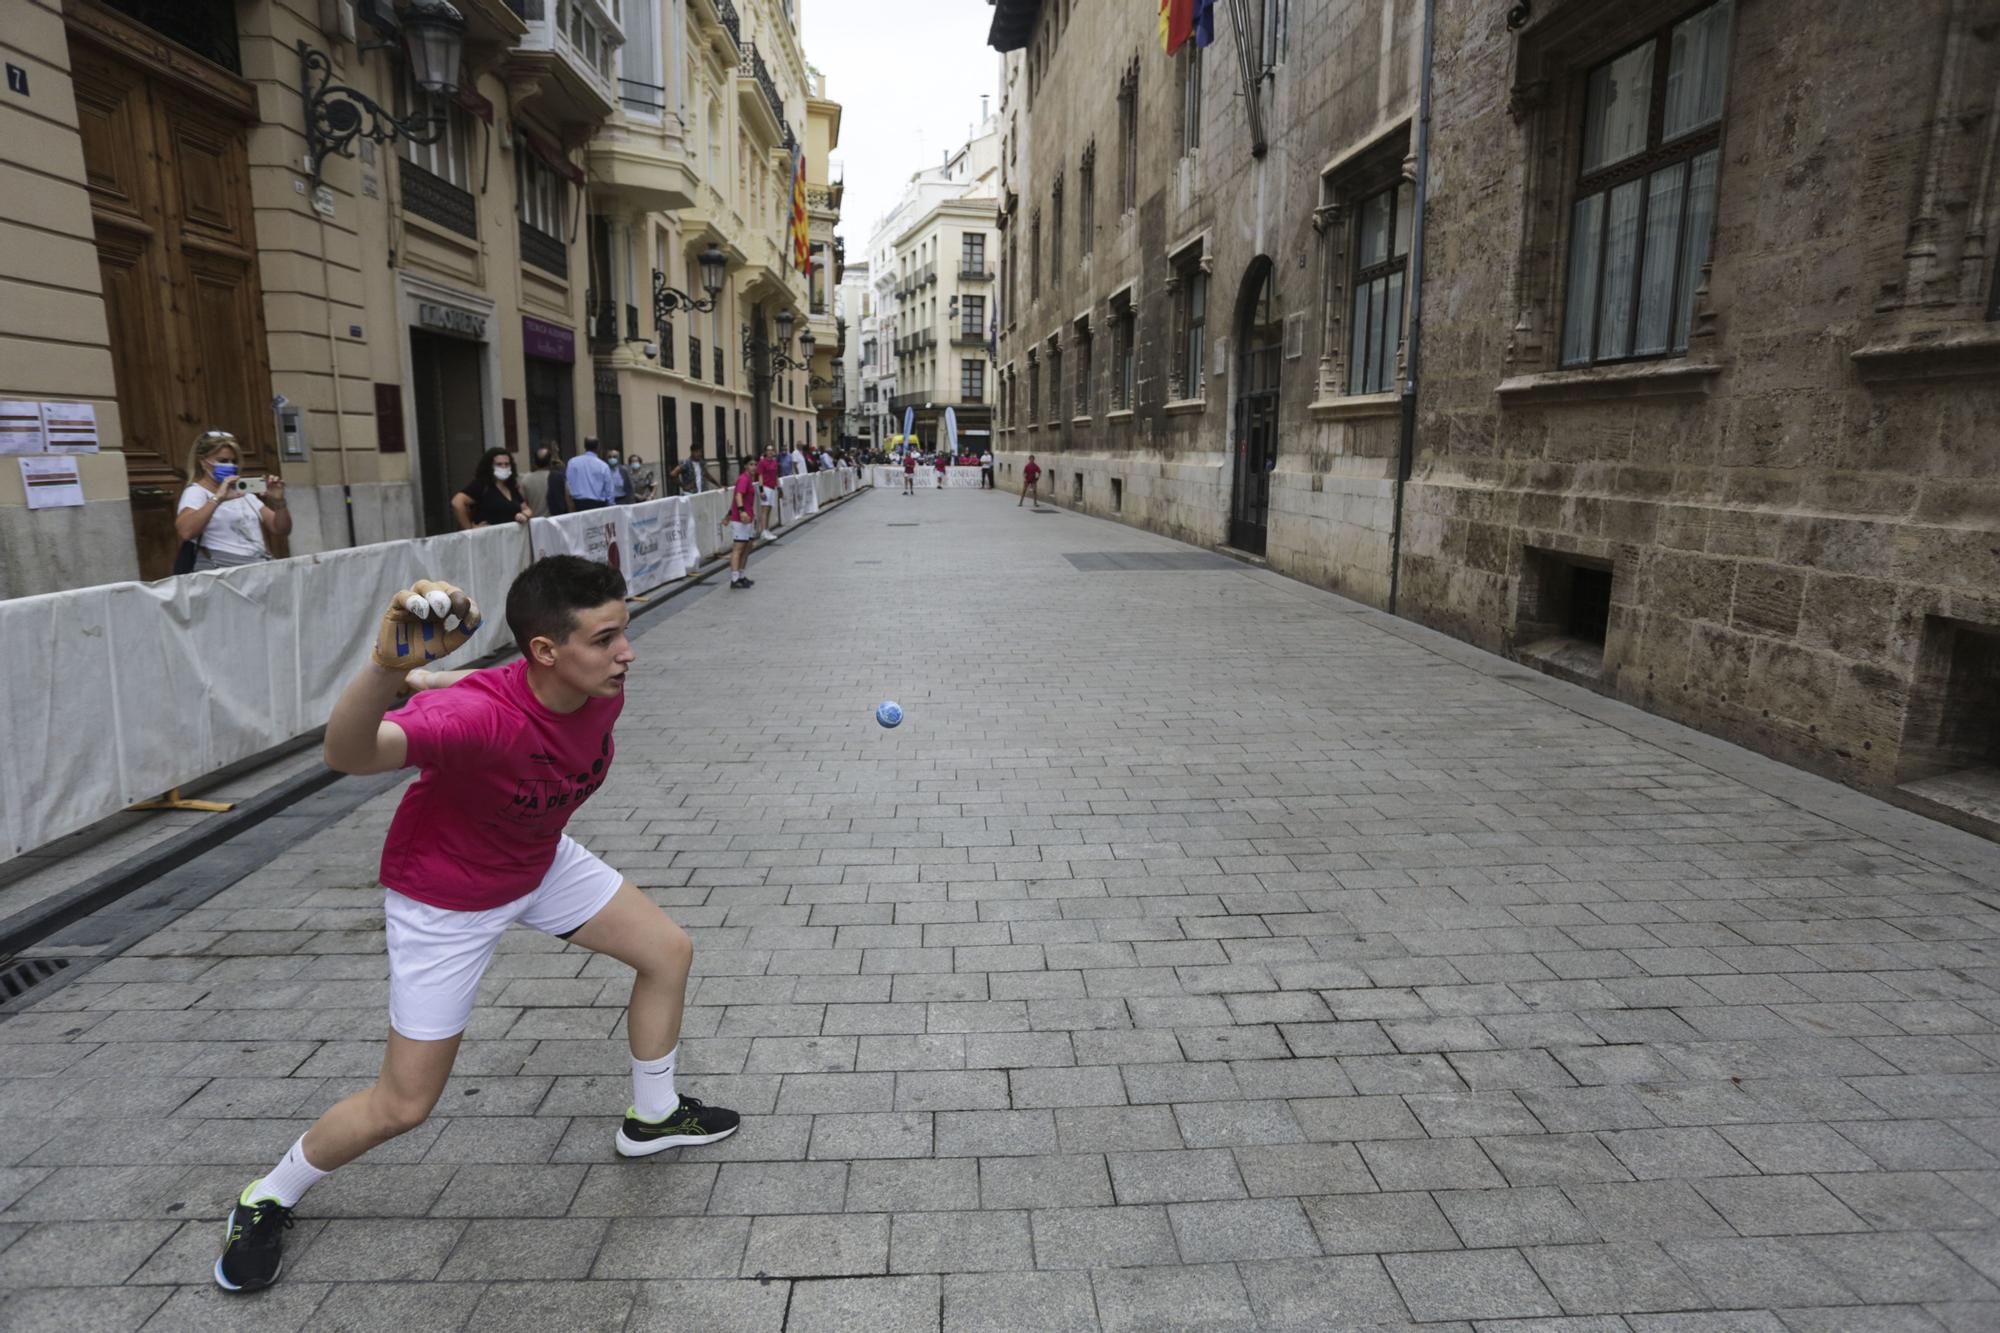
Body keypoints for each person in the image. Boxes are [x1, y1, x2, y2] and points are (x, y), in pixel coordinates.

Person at [211, 559, 740, 1294]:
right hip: (447, 898)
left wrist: (429, 678)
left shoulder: (592, 684)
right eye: (607, 637)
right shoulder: (474, 721)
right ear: (546, 650)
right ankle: (268, 1194)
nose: (629, 652)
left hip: (539, 859)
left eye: (627, 630)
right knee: (404, 1103)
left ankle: (652, 1117)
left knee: (667, 950)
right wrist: (385, 671)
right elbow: (349, 753)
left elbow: (500, 690)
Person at [176, 429, 291, 570]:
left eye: (234, 461)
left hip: (256, 566)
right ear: (203, 462)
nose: (230, 465)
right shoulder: (196, 492)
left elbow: (280, 529)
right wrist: (218, 498)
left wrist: (279, 502)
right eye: (223, 461)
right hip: (222, 570)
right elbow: (186, 531)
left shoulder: (244, 493)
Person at [451, 448, 531, 530]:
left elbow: (526, 508)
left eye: (507, 464)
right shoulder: (481, 485)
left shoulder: (511, 487)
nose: (503, 467)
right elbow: (457, 502)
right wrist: (470, 529)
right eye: (499, 464)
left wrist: (524, 515)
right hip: (488, 539)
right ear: (490, 466)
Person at [726, 461, 758, 590]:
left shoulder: (749, 480)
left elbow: (736, 498)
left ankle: (741, 575)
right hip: (741, 519)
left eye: (755, 464)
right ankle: (734, 579)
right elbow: (738, 496)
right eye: (750, 464)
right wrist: (741, 511)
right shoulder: (743, 479)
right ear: (745, 466)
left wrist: (727, 515)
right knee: (738, 548)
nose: (754, 467)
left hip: (748, 519)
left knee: (747, 548)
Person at [566, 438, 614, 511]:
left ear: (584, 446)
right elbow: (609, 489)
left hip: (578, 504)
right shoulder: (603, 466)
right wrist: (611, 505)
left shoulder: (573, 462)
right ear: (598, 447)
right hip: (598, 505)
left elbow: (568, 483)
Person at [756, 443, 782, 538]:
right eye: (768, 450)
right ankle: (763, 531)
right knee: (765, 510)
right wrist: (761, 490)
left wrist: (779, 488)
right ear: (765, 452)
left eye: (772, 450)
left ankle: (767, 529)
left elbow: (776, 476)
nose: (770, 452)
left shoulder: (775, 462)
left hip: (773, 488)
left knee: (769, 509)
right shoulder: (762, 462)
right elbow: (760, 476)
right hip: (765, 487)